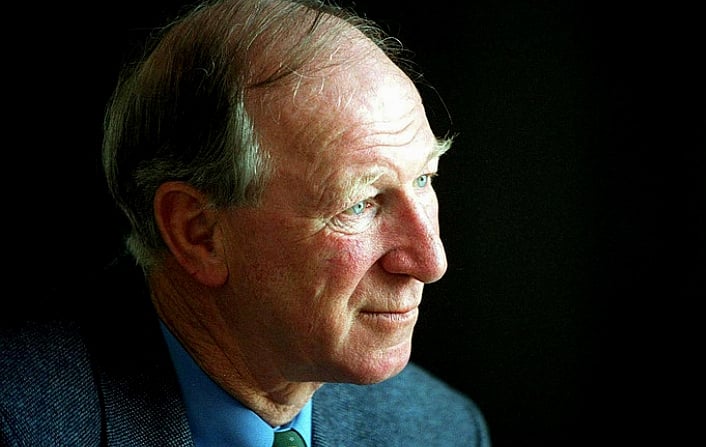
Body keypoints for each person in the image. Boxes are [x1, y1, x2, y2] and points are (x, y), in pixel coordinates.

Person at [0, 0, 491, 445]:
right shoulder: (22, 421)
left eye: (425, 178)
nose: (430, 261)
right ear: (199, 233)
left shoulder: (440, 428)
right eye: (360, 203)